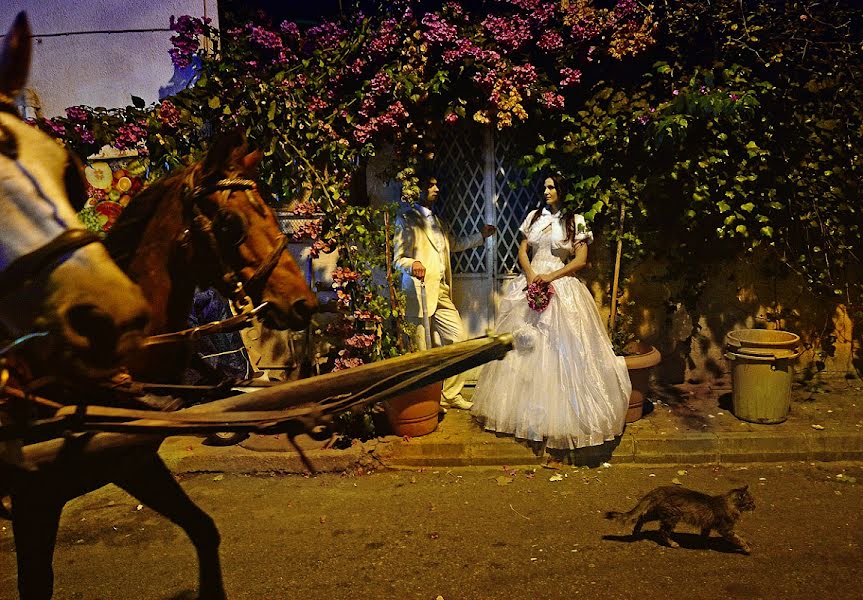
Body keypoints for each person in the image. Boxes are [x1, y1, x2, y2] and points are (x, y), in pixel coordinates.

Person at [470, 174, 632, 455]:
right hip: (532, 281)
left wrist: (551, 276)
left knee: (560, 349)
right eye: (544, 187)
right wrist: (532, 275)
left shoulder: (576, 220)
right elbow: (523, 251)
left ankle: (561, 414)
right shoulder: (533, 217)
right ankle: (522, 412)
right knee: (524, 349)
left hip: (560, 283)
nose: (546, 191)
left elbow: (581, 260)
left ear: (562, 190)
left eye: (552, 187)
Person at [393, 174, 496, 410]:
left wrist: (481, 236)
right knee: (421, 350)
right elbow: (398, 258)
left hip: (440, 291)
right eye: (431, 184)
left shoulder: (439, 221)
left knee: (458, 340)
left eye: (436, 184)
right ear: (418, 190)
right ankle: (424, 403)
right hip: (417, 291)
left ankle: (450, 394)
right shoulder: (406, 219)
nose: (436, 188)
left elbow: (454, 245)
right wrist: (413, 264)